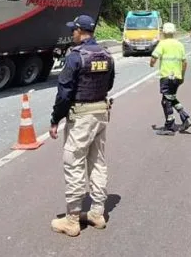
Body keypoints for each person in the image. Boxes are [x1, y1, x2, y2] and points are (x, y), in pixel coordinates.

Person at [48, 14, 115, 237]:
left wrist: (55, 119)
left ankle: (72, 219)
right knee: (97, 162)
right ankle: (97, 212)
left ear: (80, 31)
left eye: (73, 30)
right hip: (101, 114)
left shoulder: (76, 57)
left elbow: (64, 92)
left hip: (81, 118)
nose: (71, 34)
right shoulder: (106, 54)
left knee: (74, 163)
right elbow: (110, 83)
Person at [150, 22, 191, 135]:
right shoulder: (179, 44)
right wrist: (182, 76)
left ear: (163, 32)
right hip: (176, 76)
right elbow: (184, 62)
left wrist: (152, 64)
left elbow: (154, 58)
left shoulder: (162, 44)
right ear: (174, 32)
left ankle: (170, 126)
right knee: (170, 98)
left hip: (166, 76)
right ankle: (185, 118)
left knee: (166, 101)